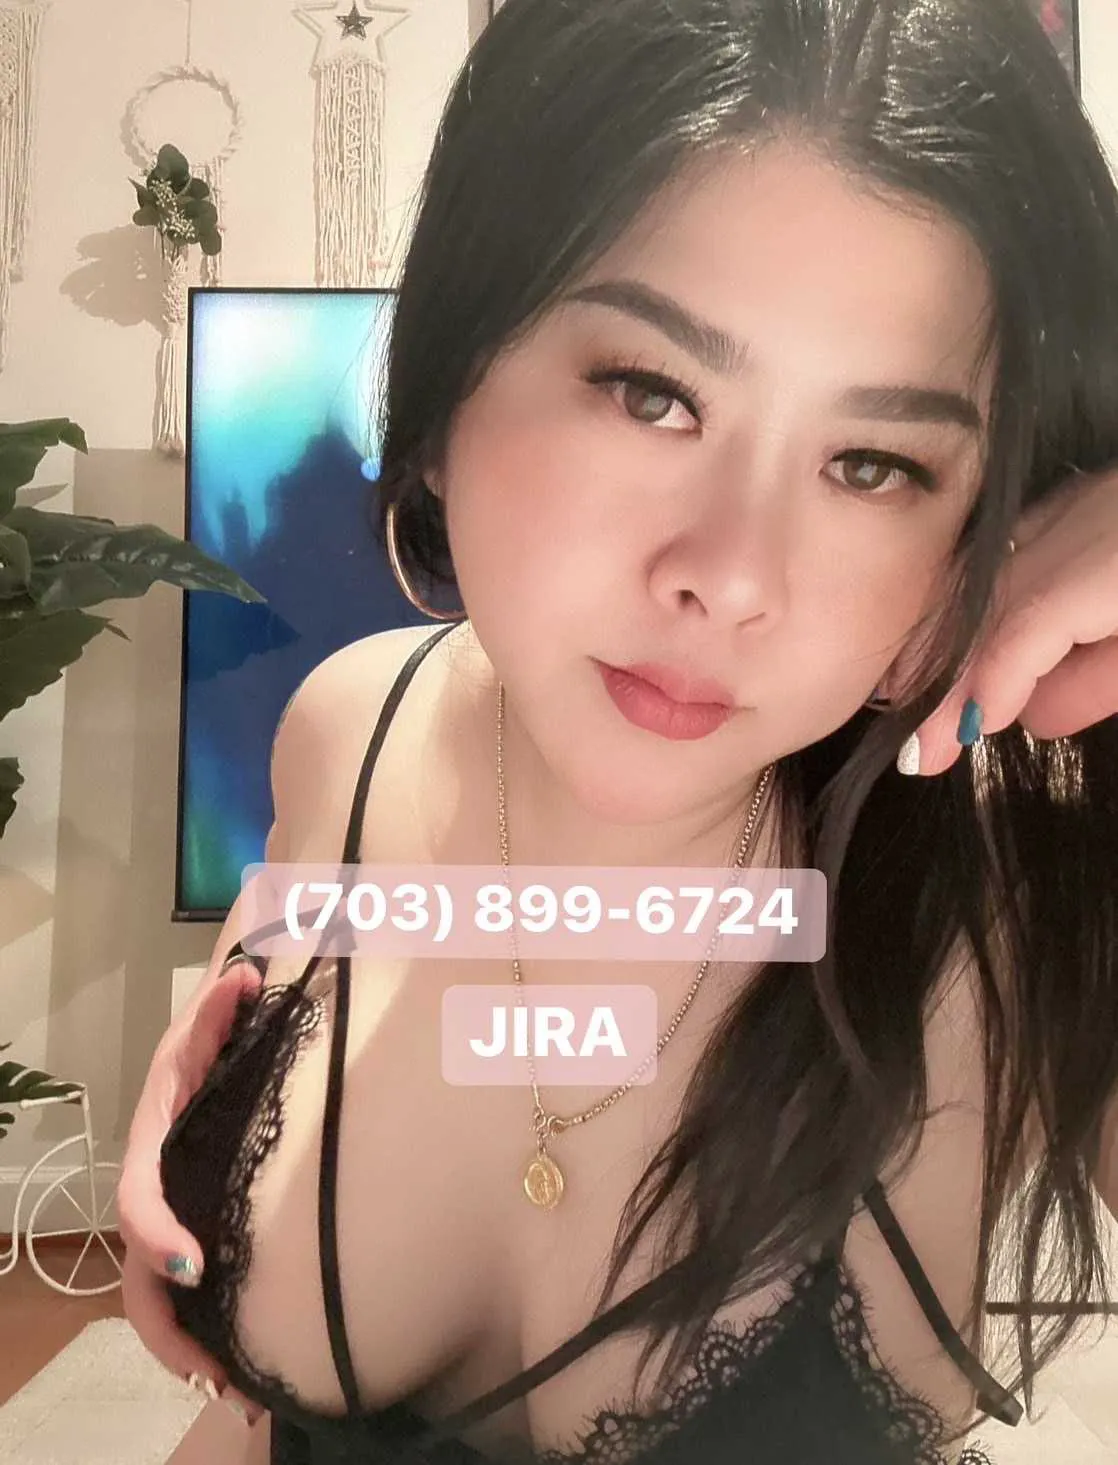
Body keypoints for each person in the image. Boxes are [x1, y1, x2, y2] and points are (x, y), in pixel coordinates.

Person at [119, 1, 1118, 1461]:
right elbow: (273, 991)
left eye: (871, 464)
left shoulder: (1019, 881)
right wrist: (219, 1123)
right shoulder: (348, 723)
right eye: (652, 394)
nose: (732, 575)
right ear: (450, 381)